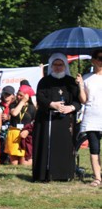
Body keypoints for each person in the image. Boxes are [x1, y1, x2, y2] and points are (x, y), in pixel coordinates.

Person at [33, 53, 81, 182]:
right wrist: (51, 104)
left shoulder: (71, 82)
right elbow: (40, 98)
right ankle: (45, 174)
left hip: (65, 120)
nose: (58, 67)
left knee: (64, 147)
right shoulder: (44, 81)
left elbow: (78, 101)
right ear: (51, 66)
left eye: (61, 65)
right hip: (46, 120)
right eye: (55, 64)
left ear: (65, 66)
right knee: (46, 148)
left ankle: (64, 174)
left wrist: (71, 108)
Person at [77, 49, 102, 186]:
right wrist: (80, 85)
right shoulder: (86, 78)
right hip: (92, 116)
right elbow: (83, 100)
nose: (101, 61)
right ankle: (97, 178)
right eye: (99, 58)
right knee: (94, 147)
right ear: (93, 60)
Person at [5, 82, 36, 166]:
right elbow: (14, 113)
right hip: (14, 133)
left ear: (27, 96)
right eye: (18, 95)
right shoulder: (13, 104)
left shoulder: (32, 108)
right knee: (14, 163)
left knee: (23, 163)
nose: (18, 97)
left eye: (21, 95)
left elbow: (35, 122)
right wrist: (22, 102)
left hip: (25, 135)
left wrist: (28, 131)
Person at [0, 85, 15, 164]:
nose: (6, 96)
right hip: (1, 130)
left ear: (12, 95)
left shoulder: (15, 106)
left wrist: (9, 117)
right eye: (5, 94)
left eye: (8, 94)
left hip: (12, 130)